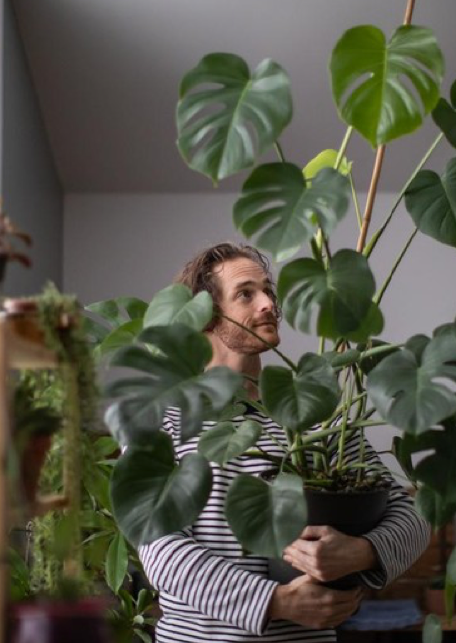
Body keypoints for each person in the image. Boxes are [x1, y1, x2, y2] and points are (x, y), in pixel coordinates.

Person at [139, 242, 431, 642]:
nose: (268, 304)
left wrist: (363, 552)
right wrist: (275, 601)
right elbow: (158, 547)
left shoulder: (314, 412)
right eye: (246, 294)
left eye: (268, 291)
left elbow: (412, 516)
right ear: (203, 314)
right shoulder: (162, 418)